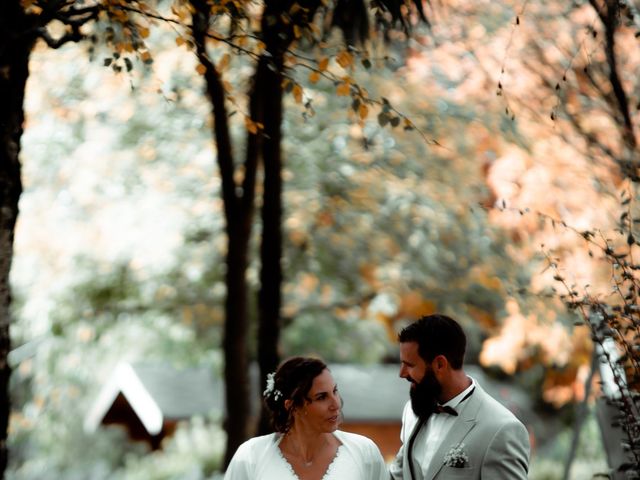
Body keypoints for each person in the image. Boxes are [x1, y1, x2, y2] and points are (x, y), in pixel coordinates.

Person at [389, 314, 530, 480]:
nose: (402, 373)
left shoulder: (502, 429)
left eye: (410, 365)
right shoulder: (411, 411)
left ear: (440, 364)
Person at [224, 356, 388, 480]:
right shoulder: (251, 456)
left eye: (335, 391)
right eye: (321, 397)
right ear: (292, 406)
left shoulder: (363, 452)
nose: (336, 404)